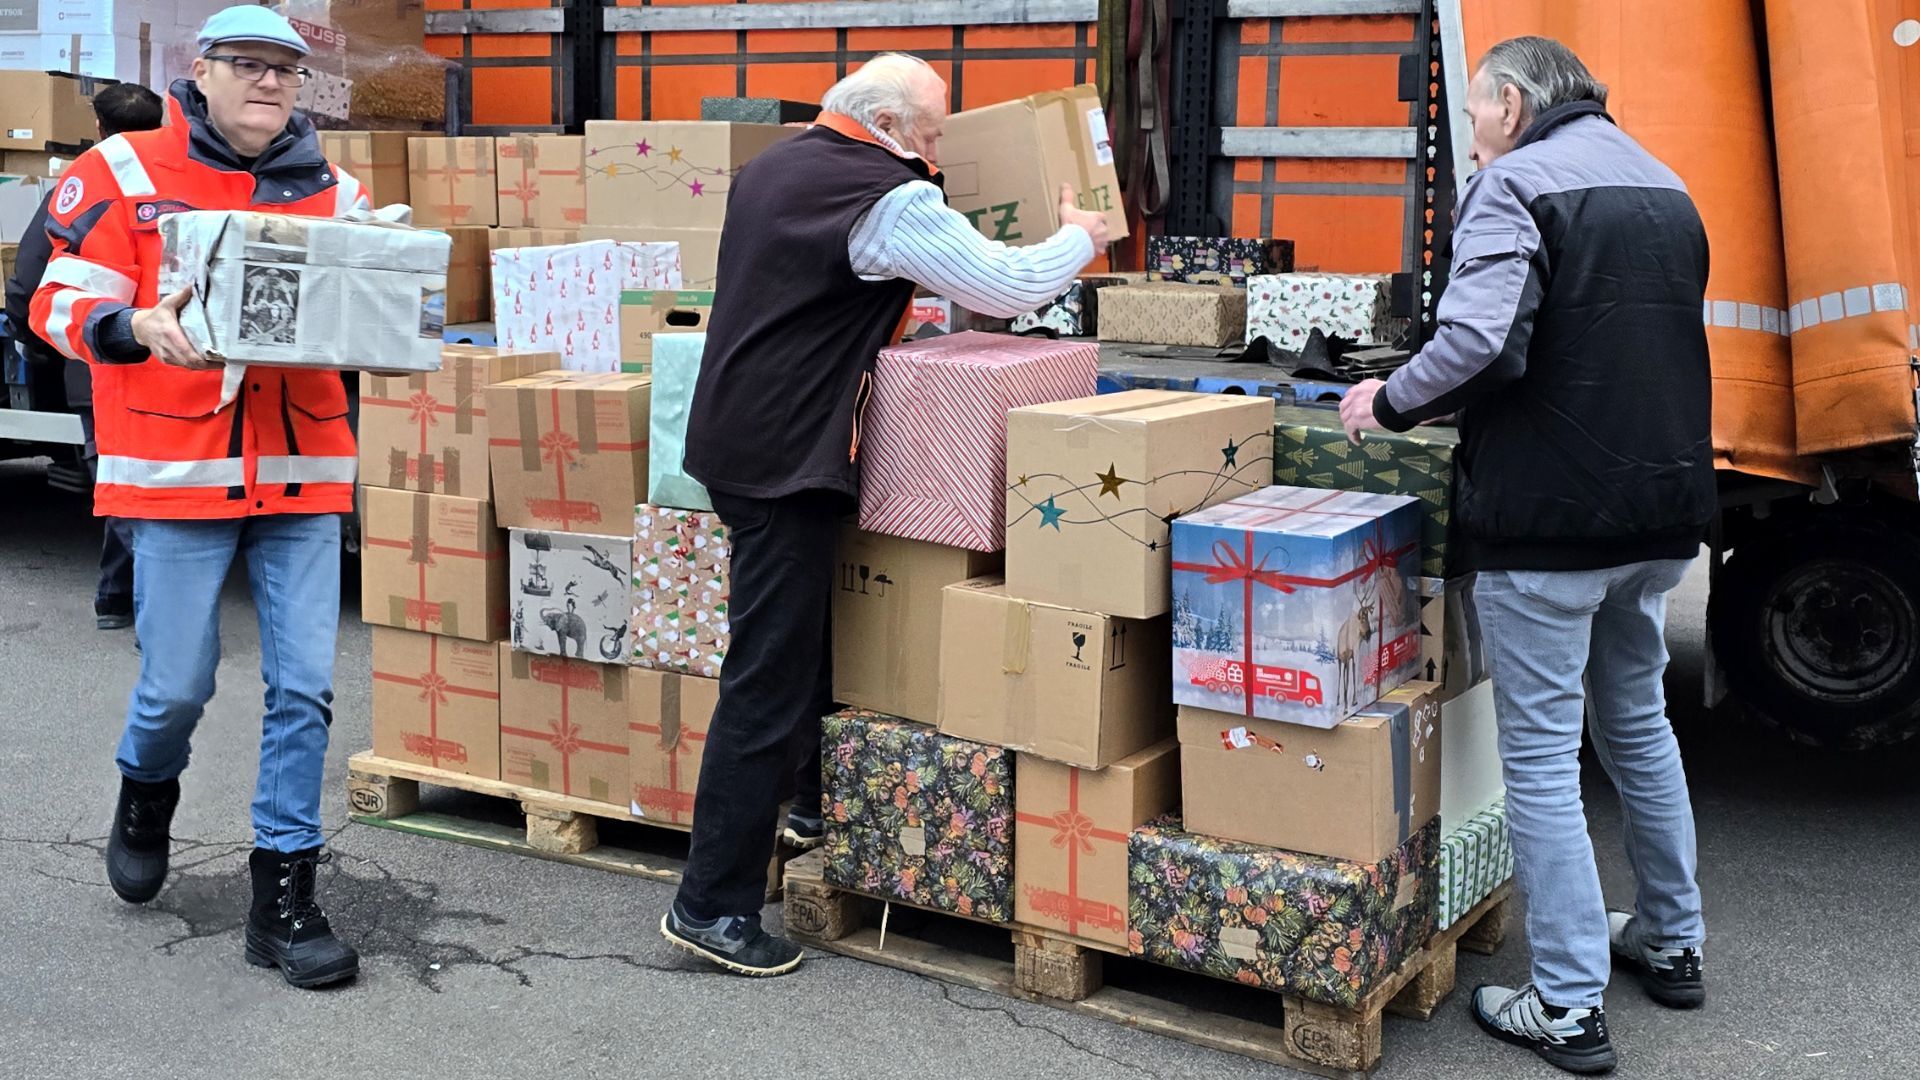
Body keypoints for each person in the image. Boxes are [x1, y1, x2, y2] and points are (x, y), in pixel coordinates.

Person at [663, 53, 1110, 977]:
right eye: (935, 134)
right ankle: (710, 905)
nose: (940, 150)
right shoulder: (885, 197)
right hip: (790, 455)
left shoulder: (777, 166)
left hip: (738, 437)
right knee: (769, 674)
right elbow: (1006, 285)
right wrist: (1078, 238)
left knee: (807, 645)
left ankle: (810, 807)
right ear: (893, 127)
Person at [1341, 36, 1713, 1075]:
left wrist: (1389, 398)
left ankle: (1565, 1001)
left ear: (1508, 102)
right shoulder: (1662, 181)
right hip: (1657, 514)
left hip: (1549, 519)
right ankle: (1673, 940)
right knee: (1639, 724)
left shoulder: (1515, 186)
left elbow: (1480, 342)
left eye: (1474, 111)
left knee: (1542, 758)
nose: (1475, 133)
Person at [30, 5, 373, 989]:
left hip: (302, 475)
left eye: (285, 70)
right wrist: (132, 322)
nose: (269, 84)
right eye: (249, 66)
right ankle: (146, 790)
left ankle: (285, 899)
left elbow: (377, 314)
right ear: (204, 71)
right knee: (177, 685)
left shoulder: (338, 195)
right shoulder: (126, 172)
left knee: (304, 688)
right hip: (174, 478)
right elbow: (57, 300)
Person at [3, 82, 164, 631]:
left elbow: (28, 279)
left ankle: (124, 599)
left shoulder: (87, 183)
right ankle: (124, 598)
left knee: (122, 477)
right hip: (176, 362)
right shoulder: (190, 184)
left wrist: (41, 345)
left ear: (97, 128)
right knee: (153, 482)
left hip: (97, 358)